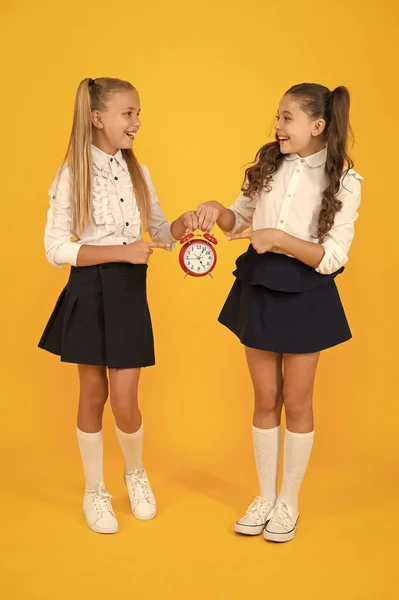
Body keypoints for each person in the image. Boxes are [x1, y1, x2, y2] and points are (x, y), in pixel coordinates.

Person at [195, 83, 363, 542]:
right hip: (261, 286)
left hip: (306, 292)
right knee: (265, 396)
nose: (277, 126)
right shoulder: (267, 166)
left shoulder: (345, 181)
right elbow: (239, 218)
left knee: (298, 401)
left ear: (317, 125)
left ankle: (288, 502)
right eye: (277, 117)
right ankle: (265, 496)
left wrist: (279, 240)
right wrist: (217, 212)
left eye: (287, 118)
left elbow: (332, 257)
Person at [39, 77, 197, 534]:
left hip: (129, 294)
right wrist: (121, 252)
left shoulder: (138, 173)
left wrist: (183, 225)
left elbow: (161, 232)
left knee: (126, 400)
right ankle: (94, 491)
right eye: (128, 113)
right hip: (87, 291)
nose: (137, 122)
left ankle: (134, 474)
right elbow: (55, 249)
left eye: (137, 113)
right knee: (93, 394)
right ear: (98, 118)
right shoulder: (73, 174)